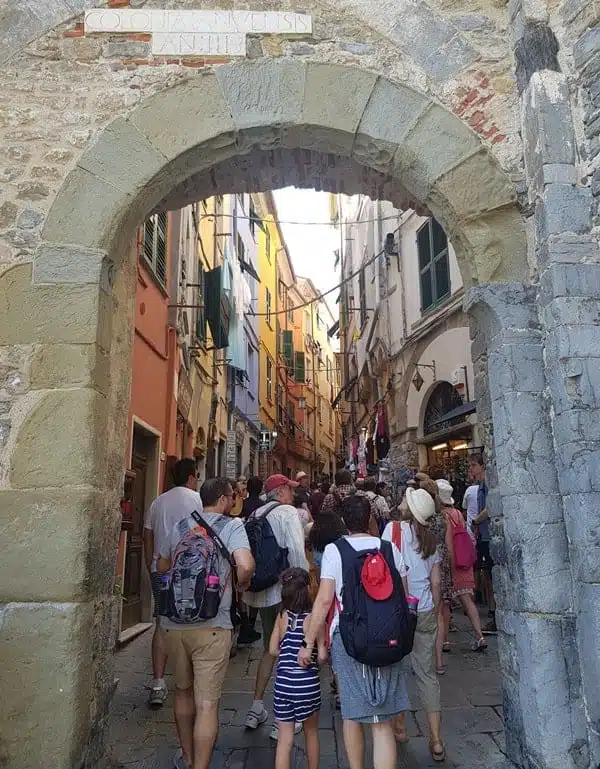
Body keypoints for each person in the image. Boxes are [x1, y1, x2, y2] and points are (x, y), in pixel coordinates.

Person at [299, 495, 410, 769]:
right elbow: (404, 597)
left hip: (349, 640)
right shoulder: (388, 548)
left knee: (352, 714)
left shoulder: (336, 551)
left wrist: (308, 642)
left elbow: (324, 601)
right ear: (370, 518)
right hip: (388, 637)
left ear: (345, 522)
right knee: (382, 722)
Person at [156, 477, 254, 769]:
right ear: (223, 499)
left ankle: (186, 757)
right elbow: (246, 565)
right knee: (207, 703)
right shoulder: (233, 526)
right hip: (213, 623)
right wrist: (241, 582)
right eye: (232, 497)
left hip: (174, 623)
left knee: (183, 692)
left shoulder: (181, 526)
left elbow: (161, 565)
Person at [243, 474, 309, 740]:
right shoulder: (287, 513)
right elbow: (295, 552)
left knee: (270, 649)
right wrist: (304, 586)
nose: (292, 494)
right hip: (282, 593)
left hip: (258, 592)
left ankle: (256, 708)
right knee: (288, 650)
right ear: (280, 491)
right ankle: (285, 718)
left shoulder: (255, 513)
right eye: (289, 490)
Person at [383, 488, 445, 762]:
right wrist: (434, 606)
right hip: (426, 610)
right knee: (427, 676)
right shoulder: (433, 540)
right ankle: (436, 739)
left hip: (399, 612)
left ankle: (399, 728)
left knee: (397, 670)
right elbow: (436, 583)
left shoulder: (392, 531)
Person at [143, 458, 202, 708]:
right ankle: (187, 680)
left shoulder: (158, 501)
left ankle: (157, 683)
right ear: (191, 477)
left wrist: (150, 565)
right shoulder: (197, 500)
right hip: (190, 570)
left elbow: (147, 534)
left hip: (161, 570)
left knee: (162, 623)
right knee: (191, 621)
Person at [269, 568, 327, 769]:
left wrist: (286, 653)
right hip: (307, 684)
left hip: (283, 684)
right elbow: (321, 655)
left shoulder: (281, 616)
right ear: (308, 590)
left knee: (284, 738)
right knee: (311, 732)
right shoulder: (314, 620)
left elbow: (271, 650)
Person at [436, 479, 487, 658]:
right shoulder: (457, 513)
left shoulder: (441, 516)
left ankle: (446, 640)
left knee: (445, 604)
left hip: (450, 561)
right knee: (467, 600)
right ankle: (479, 635)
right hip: (463, 560)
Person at [415, 473, 453, 668]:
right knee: (440, 612)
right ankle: (439, 658)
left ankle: (425, 659)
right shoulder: (443, 518)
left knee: (425, 614)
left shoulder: (421, 519)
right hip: (442, 563)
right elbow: (449, 546)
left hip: (425, 562)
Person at [469, 453, 497, 634]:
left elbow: (489, 507)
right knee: (486, 574)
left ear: (482, 466)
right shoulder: (478, 486)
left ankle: (495, 614)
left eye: (473, 465)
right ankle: (492, 610)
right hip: (483, 535)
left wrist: (476, 521)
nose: (470, 469)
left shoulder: (486, 484)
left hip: (487, 535)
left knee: (490, 575)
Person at [321, 469, 379, 536]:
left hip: (337, 536)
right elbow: (375, 514)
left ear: (336, 482)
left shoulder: (329, 497)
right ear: (351, 480)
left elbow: (324, 517)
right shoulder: (362, 495)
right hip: (360, 534)